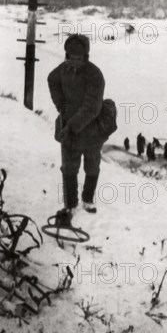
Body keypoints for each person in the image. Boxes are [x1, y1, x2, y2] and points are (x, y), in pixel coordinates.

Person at [48, 34, 106, 216]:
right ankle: (70, 204)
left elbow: (92, 108)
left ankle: (88, 200)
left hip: (91, 130)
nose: (74, 62)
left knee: (92, 165)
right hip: (69, 128)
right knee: (69, 167)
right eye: (71, 58)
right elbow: (52, 80)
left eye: (78, 59)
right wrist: (61, 105)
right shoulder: (63, 70)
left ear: (86, 57)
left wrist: (72, 126)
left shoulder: (95, 75)